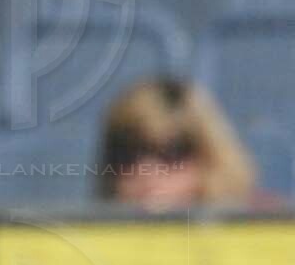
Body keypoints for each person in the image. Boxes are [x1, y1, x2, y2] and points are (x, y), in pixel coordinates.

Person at [97, 77, 259, 212]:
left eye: (171, 153)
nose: (146, 171)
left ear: (209, 158)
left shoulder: (267, 229)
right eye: (126, 156)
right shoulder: (89, 242)